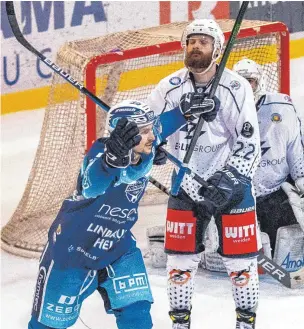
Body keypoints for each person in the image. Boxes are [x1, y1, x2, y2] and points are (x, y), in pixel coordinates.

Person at [27, 99, 218, 329]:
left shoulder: (144, 141)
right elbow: (92, 186)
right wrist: (110, 163)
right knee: (48, 324)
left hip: (118, 244)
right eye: (145, 131)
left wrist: (183, 111)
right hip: (73, 248)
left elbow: (162, 126)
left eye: (150, 129)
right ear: (127, 136)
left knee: (137, 314)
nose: (152, 135)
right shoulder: (99, 153)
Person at [147, 19, 261, 329]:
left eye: (203, 42)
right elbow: (149, 134)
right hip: (185, 185)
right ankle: (180, 324)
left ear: (217, 49)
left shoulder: (236, 87)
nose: (196, 46)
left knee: (240, 266)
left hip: (230, 186)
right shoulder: (168, 88)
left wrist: (232, 179)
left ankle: (245, 324)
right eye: (191, 41)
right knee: (179, 265)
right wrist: (155, 148)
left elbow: (250, 145)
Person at [233, 58, 304, 263]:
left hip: (273, 195)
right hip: (236, 197)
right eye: (241, 83)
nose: (247, 88)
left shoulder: (283, 107)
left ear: (260, 83)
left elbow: (301, 147)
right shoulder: (222, 110)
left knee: (287, 231)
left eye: (251, 81)